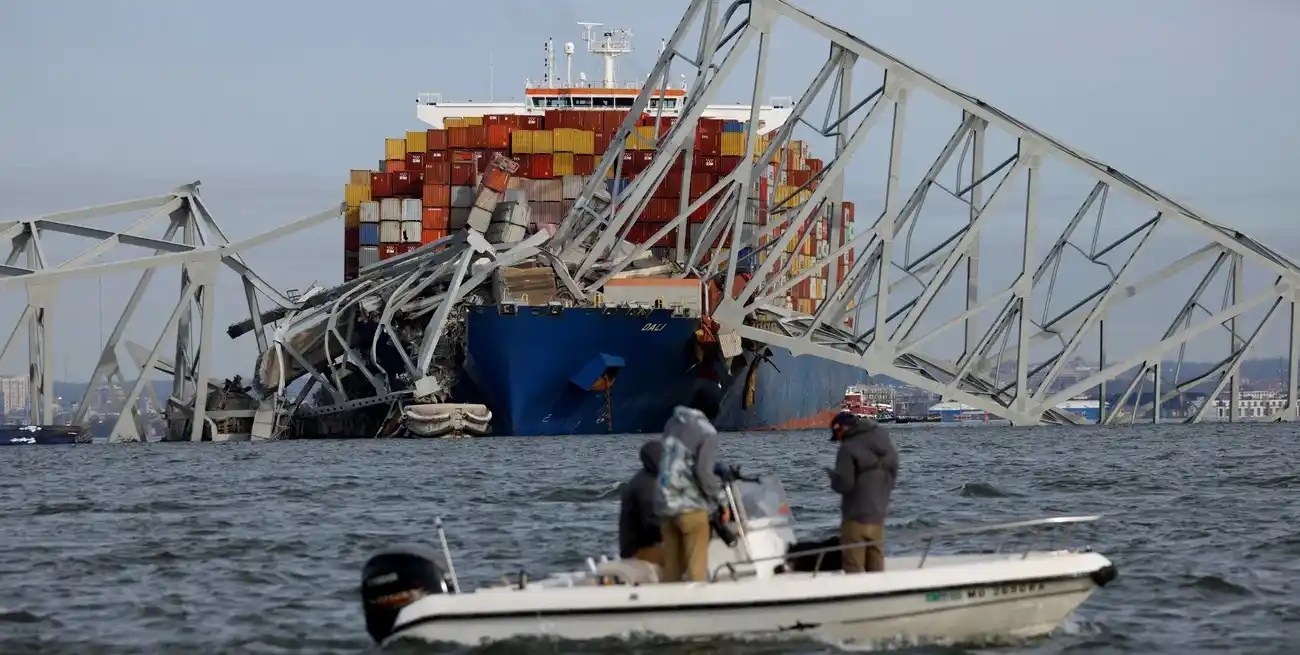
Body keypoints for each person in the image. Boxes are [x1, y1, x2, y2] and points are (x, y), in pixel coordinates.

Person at [656, 382, 725, 583]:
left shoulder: (672, 423)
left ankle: (669, 601)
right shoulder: (707, 431)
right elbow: (703, 472)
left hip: (664, 504)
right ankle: (698, 600)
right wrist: (721, 500)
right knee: (697, 570)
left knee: (672, 570)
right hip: (689, 506)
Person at [825, 411, 898, 573]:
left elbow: (845, 485)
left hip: (855, 518)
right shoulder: (885, 441)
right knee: (876, 568)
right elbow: (892, 476)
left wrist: (833, 478)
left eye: (838, 436)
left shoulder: (848, 448)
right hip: (878, 516)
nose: (839, 440)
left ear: (842, 428)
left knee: (853, 568)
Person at [618, 440, 665, 565]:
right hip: (638, 552)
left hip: (645, 546)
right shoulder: (645, 486)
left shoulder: (650, 479)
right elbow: (652, 524)